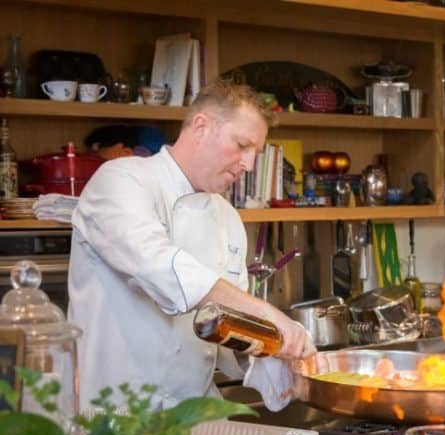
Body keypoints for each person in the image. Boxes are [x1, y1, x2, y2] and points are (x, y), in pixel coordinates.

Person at [69, 80, 313, 411]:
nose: (249, 165)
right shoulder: (120, 180)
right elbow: (160, 268)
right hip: (114, 421)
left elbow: (227, 330)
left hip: (195, 423)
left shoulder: (227, 217)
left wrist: (279, 354)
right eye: (242, 145)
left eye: (255, 154)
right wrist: (265, 311)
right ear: (201, 127)